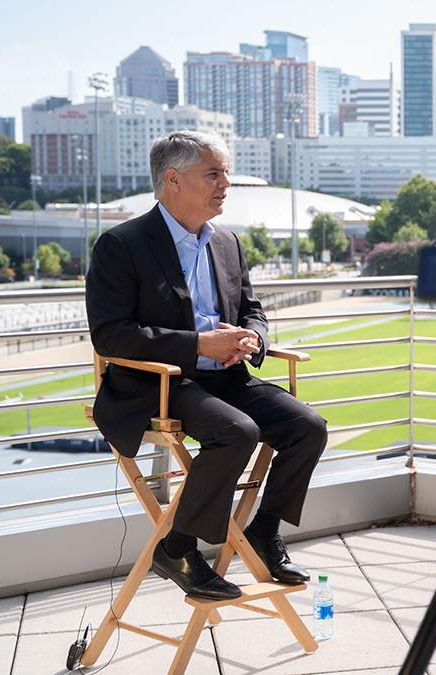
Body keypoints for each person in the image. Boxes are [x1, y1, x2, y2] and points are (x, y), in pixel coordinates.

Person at [86, 131, 328, 600]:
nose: (226, 183)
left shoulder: (227, 242)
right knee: (237, 431)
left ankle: (263, 531)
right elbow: (111, 335)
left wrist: (253, 337)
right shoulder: (121, 244)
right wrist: (200, 344)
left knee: (309, 426)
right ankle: (176, 549)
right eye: (213, 173)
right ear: (173, 180)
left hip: (228, 377)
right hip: (157, 385)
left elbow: (251, 307)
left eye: (226, 173)